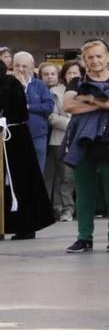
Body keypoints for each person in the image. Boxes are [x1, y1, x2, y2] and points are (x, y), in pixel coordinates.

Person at [63, 39, 109, 255]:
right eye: (90, 57)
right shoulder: (75, 82)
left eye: (99, 56)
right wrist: (105, 101)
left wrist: (89, 98)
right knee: (84, 193)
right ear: (84, 60)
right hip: (83, 143)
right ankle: (84, 238)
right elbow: (68, 106)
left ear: (108, 57)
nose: (94, 61)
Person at [0, 56, 54, 240]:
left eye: (25, 65)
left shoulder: (11, 84)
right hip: (11, 137)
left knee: (21, 182)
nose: (20, 69)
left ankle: (25, 225)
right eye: (17, 65)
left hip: (14, 139)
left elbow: (19, 110)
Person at [40, 62, 71, 219]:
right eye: (46, 74)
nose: (50, 77)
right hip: (43, 138)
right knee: (47, 177)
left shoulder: (63, 91)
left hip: (59, 138)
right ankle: (47, 210)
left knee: (64, 176)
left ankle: (62, 209)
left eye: (52, 74)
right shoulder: (38, 90)